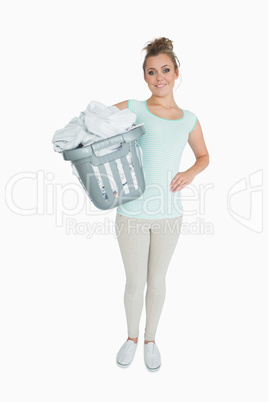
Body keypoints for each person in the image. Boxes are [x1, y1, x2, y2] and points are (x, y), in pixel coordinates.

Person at [113, 37, 209, 371]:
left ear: (176, 72)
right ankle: (131, 337)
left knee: (158, 281)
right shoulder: (134, 108)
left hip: (170, 215)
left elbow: (204, 156)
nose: (159, 77)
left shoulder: (189, 119)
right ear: (145, 77)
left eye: (165, 70)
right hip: (131, 213)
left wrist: (190, 173)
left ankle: (151, 339)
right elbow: (94, 122)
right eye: (152, 72)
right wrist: (70, 138)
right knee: (134, 283)